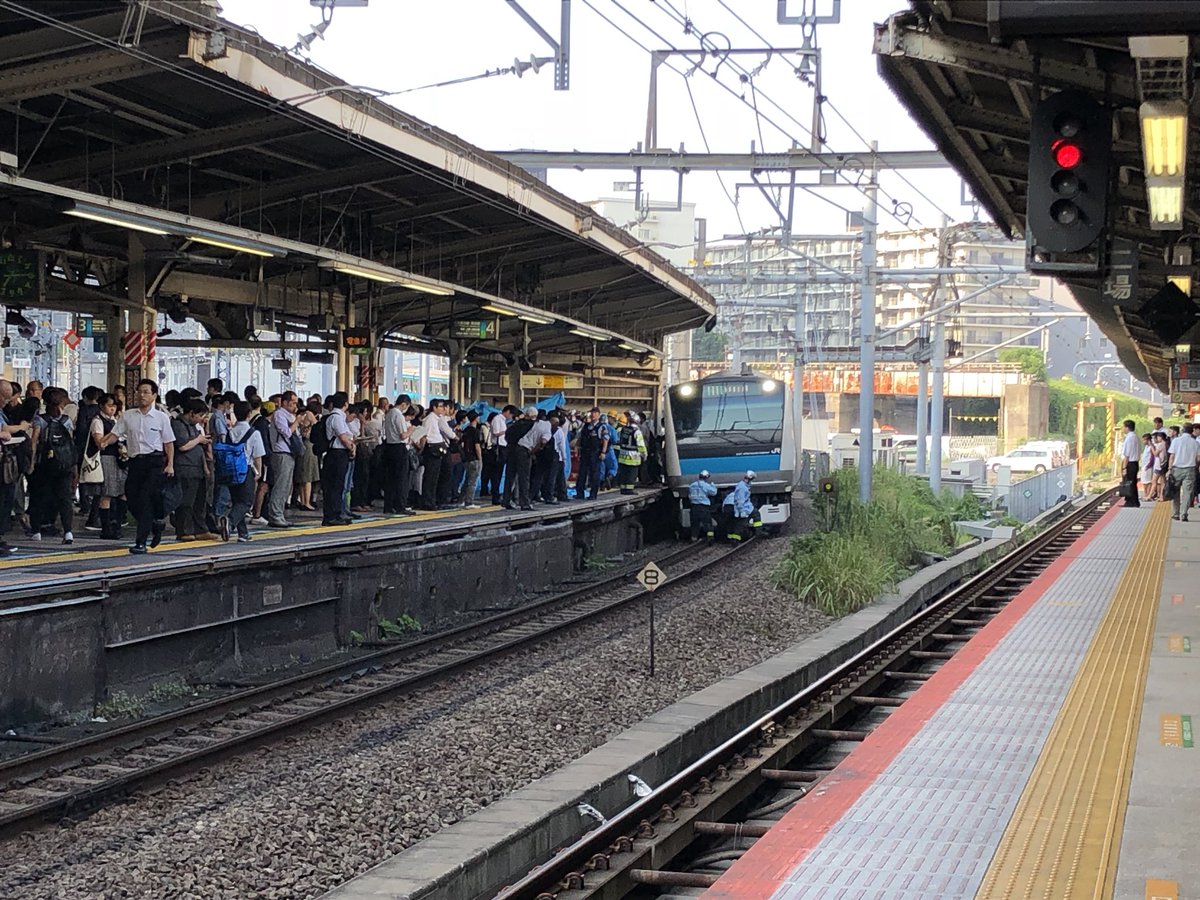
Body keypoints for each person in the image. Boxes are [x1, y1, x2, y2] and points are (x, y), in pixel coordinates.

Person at [96, 379, 174, 554]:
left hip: (154, 462)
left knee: (145, 499)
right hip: (135, 462)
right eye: (139, 391)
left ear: (154, 395)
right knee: (131, 498)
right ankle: (154, 523)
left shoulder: (161, 417)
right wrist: (105, 441)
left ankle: (140, 542)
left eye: (146, 392)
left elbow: (168, 443)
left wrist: (170, 465)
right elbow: (116, 434)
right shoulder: (128, 415)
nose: (142, 395)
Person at [31, 387, 76, 544]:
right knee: (65, 499)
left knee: (39, 497)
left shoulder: (40, 420)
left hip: (44, 465)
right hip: (64, 466)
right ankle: (68, 532)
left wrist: (31, 463)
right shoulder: (67, 421)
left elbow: (34, 442)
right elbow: (70, 443)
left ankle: (36, 530)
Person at [170, 398, 215, 541]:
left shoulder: (194, 426)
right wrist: (199, 440)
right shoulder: (178, 424)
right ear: (191, 413)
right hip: (185, 467)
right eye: (200, 415)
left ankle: (200, 529)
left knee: (199, 501)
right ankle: (184, 530)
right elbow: (183, 446)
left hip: (197, 467)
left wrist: (205, 466)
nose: (201, 419)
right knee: (186, 501)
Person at [223, 401, 266, 542]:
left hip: (230, 469)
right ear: (249, 414)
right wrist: (258, 472)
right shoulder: (254, 433)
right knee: (246, 502)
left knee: (237, 501)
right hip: (246, 469)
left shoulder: (230, 432)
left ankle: (243, 533)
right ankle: (230, 522)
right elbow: (258, 456)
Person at [88, 392, 126, 540]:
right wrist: (113, 434)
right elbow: (100, 443)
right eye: (109, 406)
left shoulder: (116, 420)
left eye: (114, 406)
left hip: (120, 457)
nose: (112, 409)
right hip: (106, 458)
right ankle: (106, 528)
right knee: (107, 493)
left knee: (122, 491)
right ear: (102, 406)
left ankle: (117, 523)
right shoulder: (98, 421)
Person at [321, 392, 355, 526]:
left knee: (336, 485)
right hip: (337, 454)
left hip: (336, 454)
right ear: (345, 404)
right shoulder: (337, 418)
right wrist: (351, 448)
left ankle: (334, 513)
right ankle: (332, 515)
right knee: (335, 485)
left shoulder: (334, 416)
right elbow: (343, 437)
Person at [503, 406, 543, 510]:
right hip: (524, 451)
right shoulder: (534, 425)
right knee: (524, 477)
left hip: (511, 450)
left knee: (510, 476)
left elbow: (507, 436)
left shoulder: (516, 424)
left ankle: (506, 500)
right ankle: (524, 502)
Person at [382, 394, 415, 516]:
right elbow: (403, 435)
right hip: (399, 448)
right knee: (401, 478)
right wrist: (411, 430)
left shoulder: (389, 413)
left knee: (390, 479)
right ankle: (400, 506)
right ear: (404, 404)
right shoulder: (399, 415)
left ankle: (388, 506)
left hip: (389, 447)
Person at [574, 407, 607, 501]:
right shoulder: (586, 426)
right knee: (582, 473)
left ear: (598, 415)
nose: (593, 415)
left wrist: (603, 452)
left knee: (594, 474)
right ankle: (579, 493)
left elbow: (605, 439)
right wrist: (577, 447)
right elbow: (580, 437)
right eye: (592, 413)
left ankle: (593, 494)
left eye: (595, 413)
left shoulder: (601, 427)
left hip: (595, 452)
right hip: (585, 452)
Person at [1169, 423, 1198, 522]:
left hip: (1176, 469)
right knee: (1187, 493)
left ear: (1182, 431)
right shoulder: (1195, 443)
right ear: (1192, 431)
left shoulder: (1176, 441)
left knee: (1175, 491)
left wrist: (1169, 469)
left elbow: (1172, 456)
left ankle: (1176, 513)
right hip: (1190, 469)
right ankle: (1183, 514)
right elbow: (1198, 458)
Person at [616, 410, 647, 495]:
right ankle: (629, 490)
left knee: (624, 473)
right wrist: (644, 454)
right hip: (633, 457)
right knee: (632, 474)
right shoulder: (637, 431)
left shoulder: (623, 429)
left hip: (622, 455)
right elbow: (641, 445)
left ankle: (623, 489)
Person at [722, 470, 757, 541]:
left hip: (729, 508)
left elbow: (724, 505)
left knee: (731, 523)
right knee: (740, 523)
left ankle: (731, 538)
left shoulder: (739, 488)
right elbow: (740, 501)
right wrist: (742, 511)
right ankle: (735, 539)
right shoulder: (742, 488)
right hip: (737, 509)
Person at [459, 410, 483, 507]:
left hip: (466, 458)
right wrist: (480, 459)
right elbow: (477, 447)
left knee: (466, 480)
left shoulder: (466, 431)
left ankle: (461, 500)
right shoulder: (476, 431)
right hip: (474, 458)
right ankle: (469, 502)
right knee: (472, 481)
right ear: (476, 418)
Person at [688, 469, 718, 541]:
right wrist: (713, 486)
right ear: (706, 477)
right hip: (703, 507)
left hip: (694, 507)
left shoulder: (692, 485)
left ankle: (694, 538)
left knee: (695, 524)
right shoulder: (706, 485)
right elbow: (714, 493)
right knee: (707, 523)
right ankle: (710, 539)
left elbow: (689, 495)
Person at [1119, 419, 1141, 508]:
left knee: (1129, 483)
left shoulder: (1129, 438)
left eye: (1123, 427)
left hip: (1130, 463)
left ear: (1127, 428)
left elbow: (1127, 454)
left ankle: (1130, 502)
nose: (1123, 429)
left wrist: (1124, 467)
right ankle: (1134, 501)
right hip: (1135, 462)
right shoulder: (1136, 437)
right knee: (1132, 483)